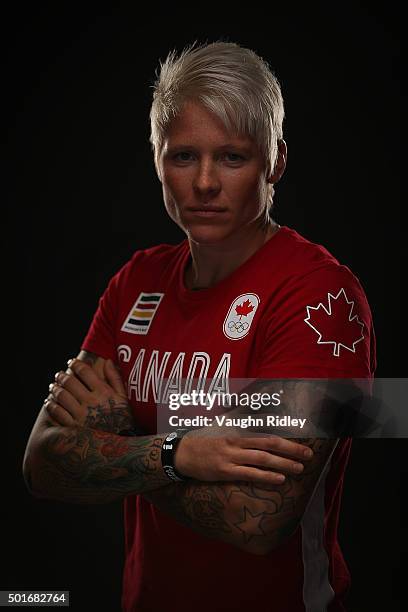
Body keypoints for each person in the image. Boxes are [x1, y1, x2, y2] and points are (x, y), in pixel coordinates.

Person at [23, 41, 376, 611]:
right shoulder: (135, 281)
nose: (205, 182)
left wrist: (121, 444)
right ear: (156, 157)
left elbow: (258, 518)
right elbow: (42, 464)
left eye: (233, 157)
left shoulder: (321, 297)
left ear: (276, 161)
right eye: (184, 156)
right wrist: (178, 453)